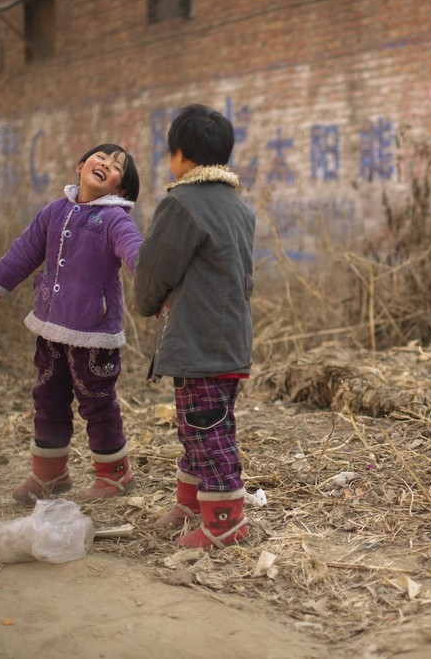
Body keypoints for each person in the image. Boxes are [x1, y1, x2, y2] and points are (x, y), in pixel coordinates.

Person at [0, 144, 144, 504]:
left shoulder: (115, 219)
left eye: (115, 168)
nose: (105, 165)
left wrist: (149, 285)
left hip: (93, 333)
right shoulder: (53, 212)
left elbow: (134, 250)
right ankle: (49, 473)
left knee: (96, 402)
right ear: (80, 165)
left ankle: (115, 474)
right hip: (50, 326)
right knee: (47, 397)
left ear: (120, 190)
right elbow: (23, 252)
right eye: (101, 158)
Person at [133, 104, 255, 548]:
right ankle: (190, 503)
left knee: (207, 431)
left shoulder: (181, 202)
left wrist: (145, 303)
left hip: (200, 340)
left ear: (180, 156)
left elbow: (154, 270)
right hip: (228, 340)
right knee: (198, 426)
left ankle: (225, 523)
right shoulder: (239, 207)